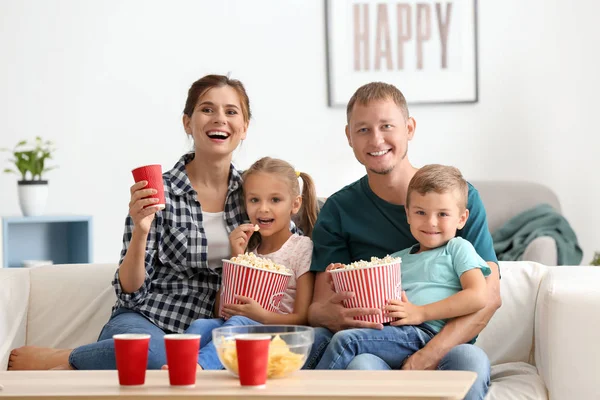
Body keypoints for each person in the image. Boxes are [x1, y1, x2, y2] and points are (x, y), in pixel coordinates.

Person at [8, 74, 253, 370]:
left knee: (241, 350)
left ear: (244, 127)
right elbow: (130, 290)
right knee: (156, 355)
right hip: (148, 319)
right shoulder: (159, 190)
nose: (219, 119)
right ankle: (66, 357)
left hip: (210, 330)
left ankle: (88, 358)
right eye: (207, 109)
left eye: (231, 111)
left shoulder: (254, 197)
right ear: (188, 123)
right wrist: (141, 228)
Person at [306, 82, 501, 400]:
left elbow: (488, 297)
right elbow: (317, 309)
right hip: (374, 346)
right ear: (349, 137)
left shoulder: (457, 199)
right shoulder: (338, 211)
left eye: (387, 126)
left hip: (447, 344)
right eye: (364, 129)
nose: (376, 140)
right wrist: (333, 313)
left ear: (409, 128)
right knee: (361, 368)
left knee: (472, 363)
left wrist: (425, 357)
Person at [315, 164, 491, 370]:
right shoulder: (395, 259)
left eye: (442, 214)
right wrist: (341, 279)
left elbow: (478, 296)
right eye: (420, 212)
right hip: (395, 335)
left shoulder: (457, 248)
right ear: (408, 214)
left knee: (347, 341)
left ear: (461, 219)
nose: (431, 222)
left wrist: (421, 313)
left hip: (427, 333)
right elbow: (374, 299)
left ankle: (309, 392)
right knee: (322, 340)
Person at [181, 157, 317, 370]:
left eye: (275, 200)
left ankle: (195, 368)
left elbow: (303, 318)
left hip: (278, 337)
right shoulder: (250, 252)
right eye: (254, 200)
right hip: (238, 327)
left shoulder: (301, 248)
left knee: (239, 323)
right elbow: (221, 312)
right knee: (202, 324)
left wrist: (260, 316)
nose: (263, 209)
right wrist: (237, 258)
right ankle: (175, 367)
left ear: (295, 204)